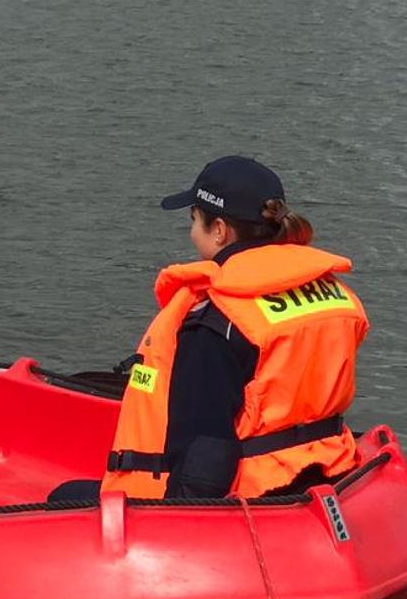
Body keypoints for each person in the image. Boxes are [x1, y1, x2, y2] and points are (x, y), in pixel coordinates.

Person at [96, 155, 368, 500]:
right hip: (321, 474)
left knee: (62, 495)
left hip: (248, 499)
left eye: (194, 221)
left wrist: (174, 521)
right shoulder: (334, 296)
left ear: (220, 230)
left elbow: (204, 457)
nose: (192, 233)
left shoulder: (216, 322)